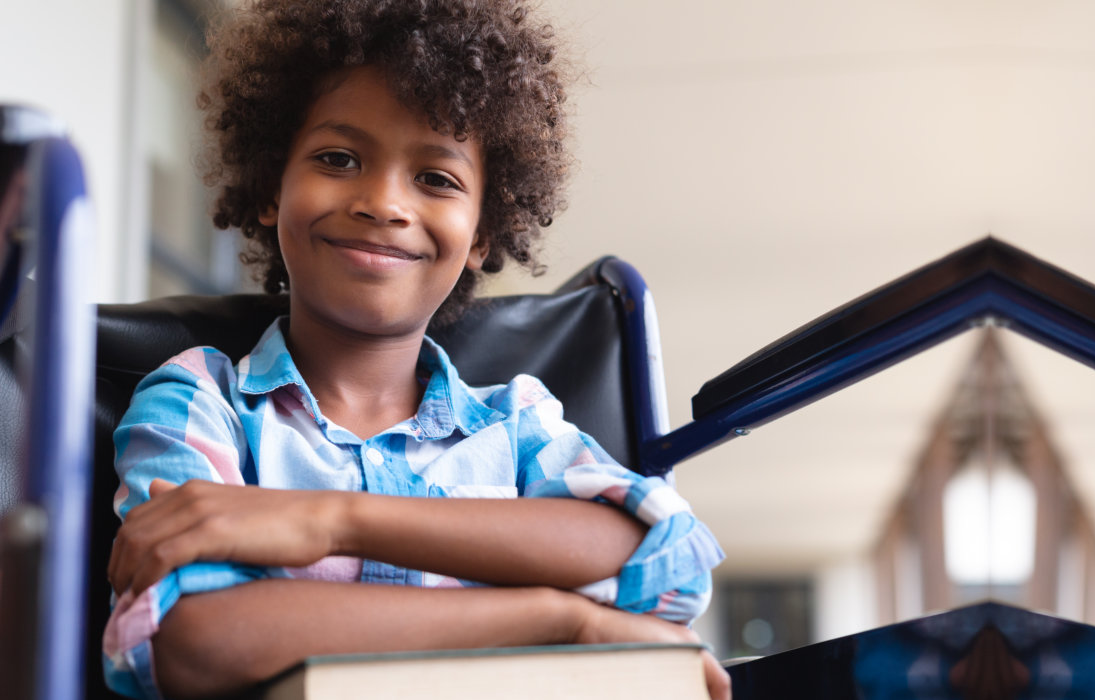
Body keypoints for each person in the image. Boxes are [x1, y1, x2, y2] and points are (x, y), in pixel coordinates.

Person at [102, 1, 729, 698]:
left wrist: (330, 521)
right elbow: (187, 644)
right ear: (270, 190)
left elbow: (668, 562)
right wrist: (555, 616)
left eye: (436, 178)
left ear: (482, 235)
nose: (383, 203)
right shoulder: (199, 402)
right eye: (338, 159)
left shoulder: (515, 424)